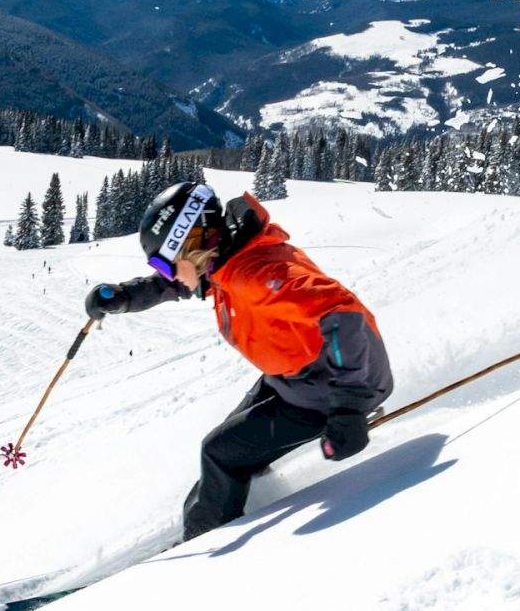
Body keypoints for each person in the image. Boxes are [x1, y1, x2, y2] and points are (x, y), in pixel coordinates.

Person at [86, 181, 394, 542]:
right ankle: (212, 519)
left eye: (165, 264)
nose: (165, 274)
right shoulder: (226, 259)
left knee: (220, 453)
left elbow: (343, 314)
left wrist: (349, 408)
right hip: (295, 379)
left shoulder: (255, 273)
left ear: (191, 247)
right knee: (226, 449)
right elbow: (173, 285)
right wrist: (123, 297)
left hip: (330, 391)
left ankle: (206, 539)